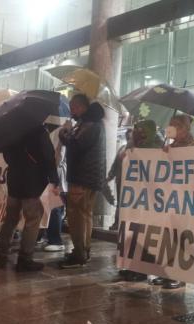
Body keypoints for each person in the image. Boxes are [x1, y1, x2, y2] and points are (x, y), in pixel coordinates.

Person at [0, 125, 60, 272]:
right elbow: (47, 156)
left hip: (14, 181)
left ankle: (2, 256)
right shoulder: (38, 130)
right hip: (31, 182)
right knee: (33, 219)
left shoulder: (10, 131)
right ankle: (25, 259)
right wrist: (54, 179)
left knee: (10, 219)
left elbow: (6, 156)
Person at [150, 115, 194, 289]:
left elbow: (190, 169)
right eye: (169, 125)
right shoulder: (171, 146)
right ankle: (168, 271)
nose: (170, 128)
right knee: (168, 235)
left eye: (174, 126)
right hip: (170, 197)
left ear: (183, 129)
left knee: (181, 235)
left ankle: (180, 274)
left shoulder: (193, 146)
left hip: (185, 199)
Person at [58, 94, 107, 269]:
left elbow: (77, 145)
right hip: (89, 177)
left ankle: (79, 254)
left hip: (81, 177)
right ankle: (83, 250)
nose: (71, 111)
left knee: (76, 216)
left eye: (73, 107)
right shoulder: (93, 123)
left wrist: (64, 133)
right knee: (85, 214)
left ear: (81, 107)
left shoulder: (90, 124)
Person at [118, 120, 163, 282]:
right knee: (134, 232)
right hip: (137, 197)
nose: (139, 133)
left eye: (142, 130)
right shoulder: (135, 145)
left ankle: (143, 269)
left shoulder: (157, 147)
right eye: (138, 130)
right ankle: (134, 266)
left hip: (151, 199)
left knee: (145, 234)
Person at [43, 120, 69, 253]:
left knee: (55, 208)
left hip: (57, 176)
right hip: (53, 175)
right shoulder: (50, 133)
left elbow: (59, 157)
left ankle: (56, 240)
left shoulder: (59, 133)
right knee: (49, 207)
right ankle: (45, 236)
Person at [106, 128, 133, 231]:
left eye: (130, 136)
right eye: (128, 136)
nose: (129, 138)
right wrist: (110, 176)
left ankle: (124, 223)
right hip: (120, 180)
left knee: (126, 203)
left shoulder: (135, 150)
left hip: (130, 181)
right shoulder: (122, 148)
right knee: (120, 203)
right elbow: (115, 164)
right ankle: (117, 222)